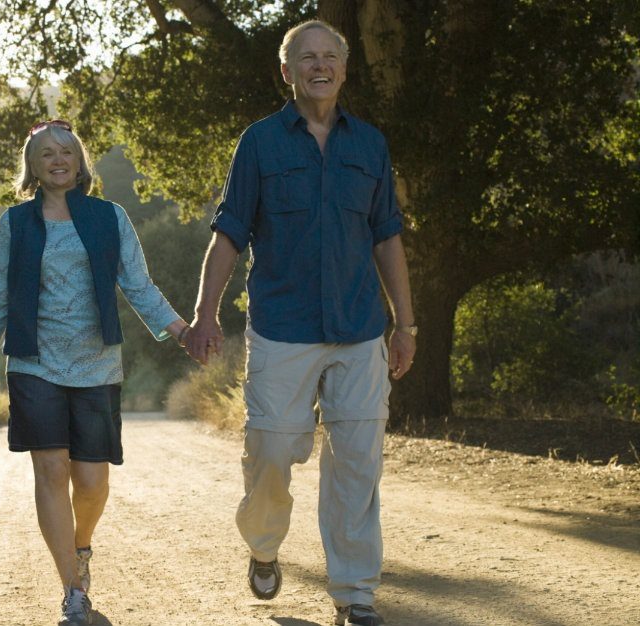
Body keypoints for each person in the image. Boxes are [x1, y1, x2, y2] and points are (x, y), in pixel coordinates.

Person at [184, 20, 416, 626]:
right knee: (272, 449)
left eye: (330, 57)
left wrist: (406, 324)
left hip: (360, 327)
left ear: (344, 67)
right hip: (283, 327)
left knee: (359, 460)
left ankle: (355, 593)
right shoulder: (260, 143)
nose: (320, 66)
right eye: (306, 58)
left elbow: (387, 236)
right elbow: (230, 233)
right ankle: (264, 547)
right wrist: (205, 315)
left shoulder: (370, 145)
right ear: (286, 72)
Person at [0, 119, 188, 626]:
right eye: (46, 154)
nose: (57, 159)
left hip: (97, 364)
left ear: (81, 162)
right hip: (34, 362)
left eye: (66, 151)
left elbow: (139, 285)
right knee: (51, 470)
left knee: (90, 481)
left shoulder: (109, 217)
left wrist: (182, 330)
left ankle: (81, 545)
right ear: (33, 168)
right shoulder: (15, 224)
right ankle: (72, 589)